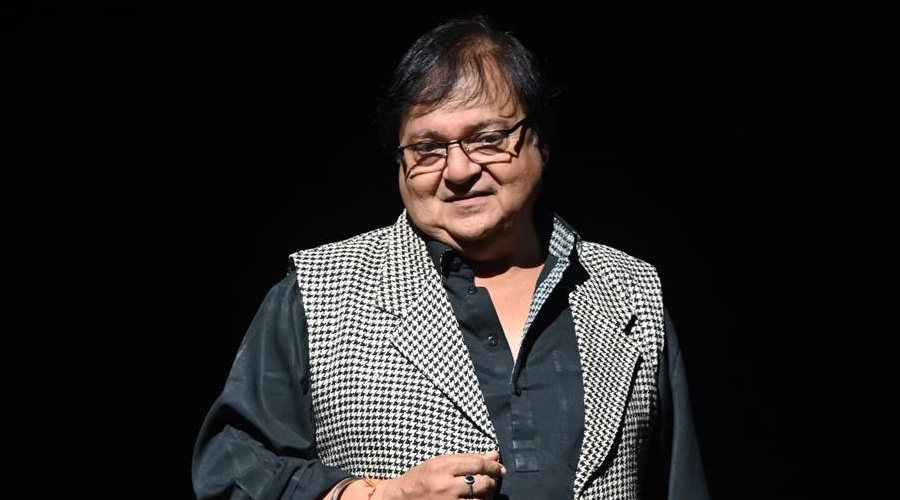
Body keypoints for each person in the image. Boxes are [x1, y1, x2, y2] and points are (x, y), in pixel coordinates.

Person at [191, 12, 709, 500]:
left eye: (488, 139)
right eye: (427, 148)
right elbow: (230, 470)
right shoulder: (320, 290)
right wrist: (379, 495)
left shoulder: (630, 290)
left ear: (541, 142)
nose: (458, 171)